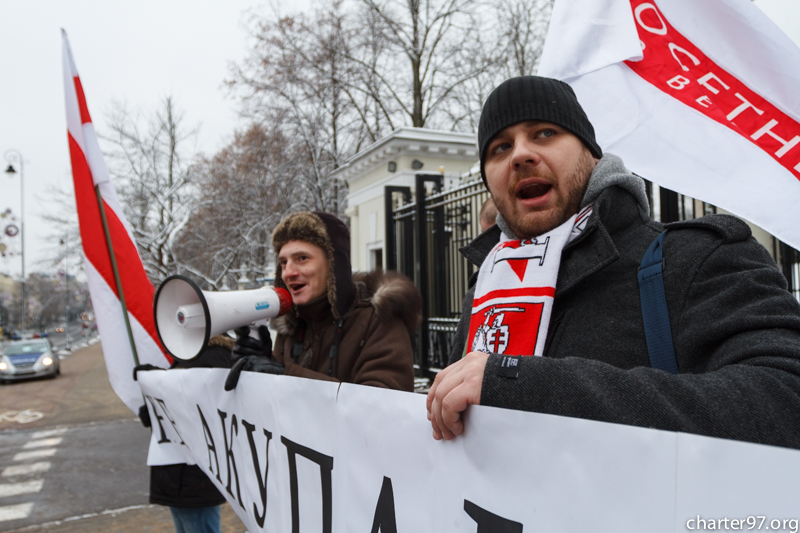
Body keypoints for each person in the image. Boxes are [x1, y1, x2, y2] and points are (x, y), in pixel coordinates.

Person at [426, 75, 800, 449]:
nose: (521, 154)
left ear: (592, 154)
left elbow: (786, 397)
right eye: (500, 148)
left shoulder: (695, 257)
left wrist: (520, 383)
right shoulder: (485, 289)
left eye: (544, 133)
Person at [227, 211, 420, 391]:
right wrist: (261, 363)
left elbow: (382, 408)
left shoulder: (378, 319)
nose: (289, 272)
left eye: (302, 258)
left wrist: (283, 375)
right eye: (284, 262)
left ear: (334, 265)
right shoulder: (290, 325)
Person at [138, 336, 233, 533]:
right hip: (180, 475)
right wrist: (153, 405)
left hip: (193, 476)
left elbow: (202, 411)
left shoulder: (212, 357)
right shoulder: (188, 356)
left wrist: (159, 385)